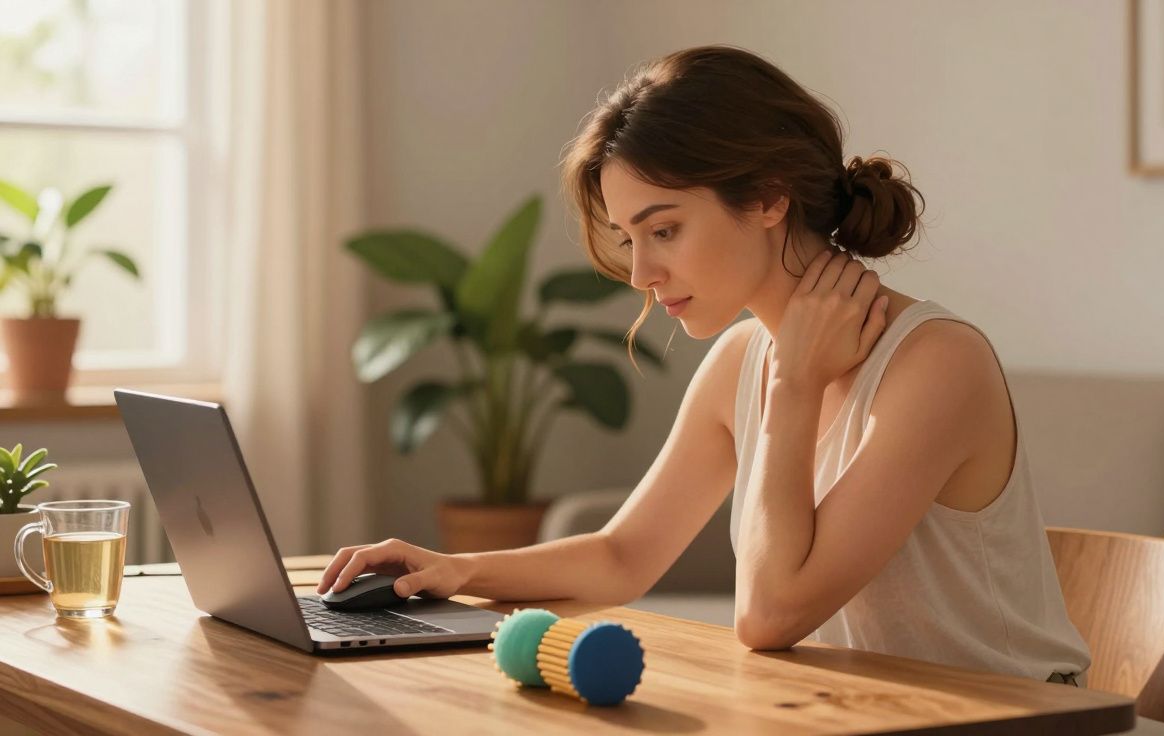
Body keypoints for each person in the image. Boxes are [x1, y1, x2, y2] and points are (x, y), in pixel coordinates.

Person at [318, 44, 1091, 686]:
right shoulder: (739, 360)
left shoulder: (936, 365)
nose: (642, 273)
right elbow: (625, 555)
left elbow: (770, 616)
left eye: (665, 230)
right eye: (630, 238)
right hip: (864, 714)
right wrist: (453, 569)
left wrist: (794, 385)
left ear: (766, 197)